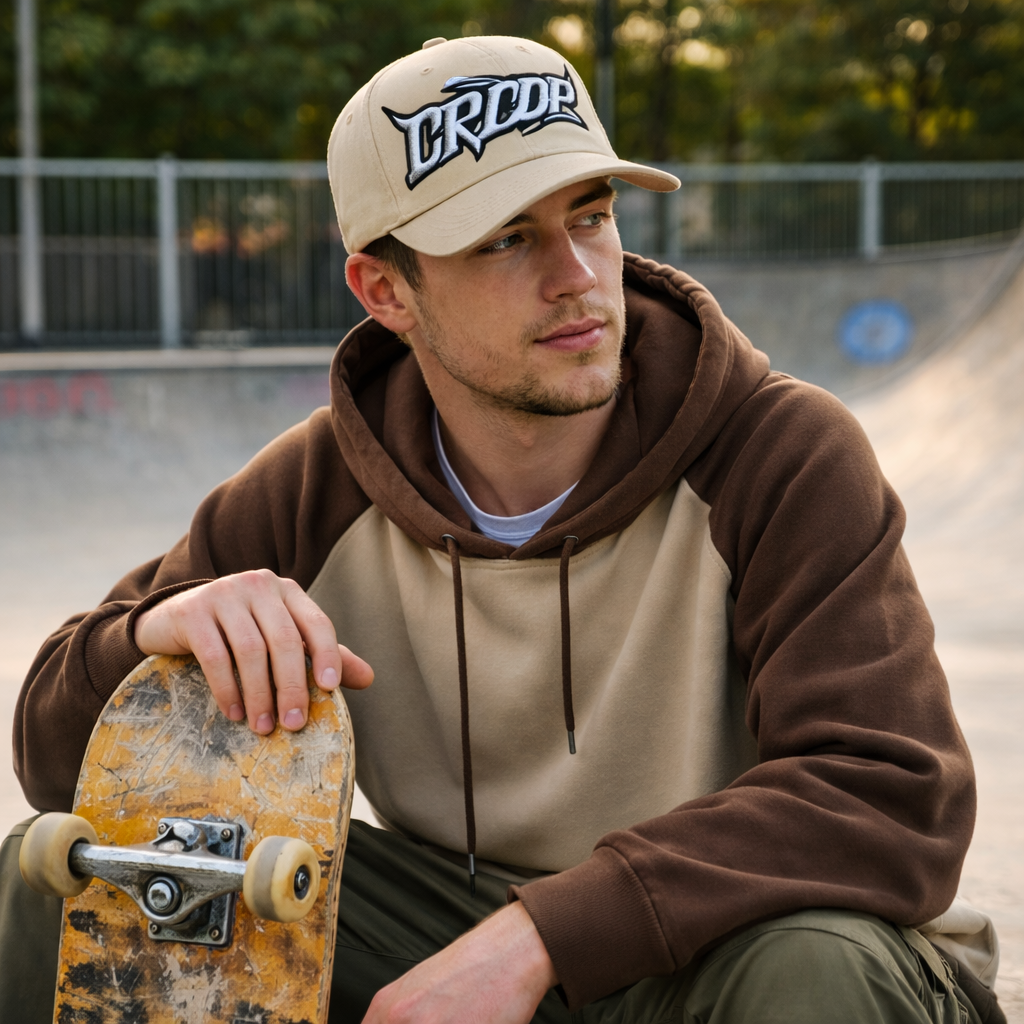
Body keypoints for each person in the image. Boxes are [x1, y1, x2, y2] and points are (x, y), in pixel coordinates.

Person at [1, 35, 1005, 1024]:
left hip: (732, 949)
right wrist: (154, 633)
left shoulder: (777, 452)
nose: (577, 275)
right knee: (76, 870)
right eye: (505, 240)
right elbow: (58, 767)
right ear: (386, 290)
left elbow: (889, 793)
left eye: (593, 217)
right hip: (451, 937)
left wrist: (540, 937)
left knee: (814, 967)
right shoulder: (314, 488)